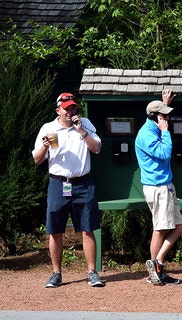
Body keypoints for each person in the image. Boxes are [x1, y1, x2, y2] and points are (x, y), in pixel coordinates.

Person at [32, 92, 104, 288]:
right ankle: (56, 273)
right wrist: (45, 147)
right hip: (58, 183)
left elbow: (97, 149)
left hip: (83, 183)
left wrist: (82, 132)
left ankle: (92, 272)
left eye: (73, 108)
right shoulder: (49, 129)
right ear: (58, 111)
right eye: (67, 109)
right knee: (55, 230)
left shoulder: (85, 123)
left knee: (87, 229)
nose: (71, 112)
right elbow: (37, 160)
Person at [135, 89, 182, 285]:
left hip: (166, 185)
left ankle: (157, 264)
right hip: (157, 187)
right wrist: (165, 132)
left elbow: (159, 113)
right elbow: (165, 153)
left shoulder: (154, 128)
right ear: (153, 117)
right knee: (160, 228)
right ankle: (154, 269)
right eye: (163, 115)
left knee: (179, 225)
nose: (167, 118)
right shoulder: (147, 134)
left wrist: (163, 103)